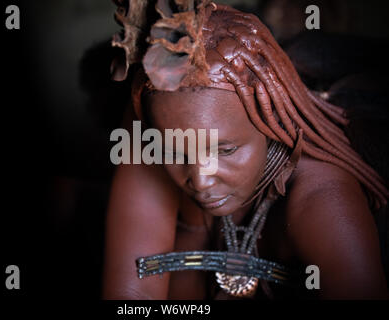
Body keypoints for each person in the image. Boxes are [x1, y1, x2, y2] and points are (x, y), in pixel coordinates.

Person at [102, 0, 389, 299]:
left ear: (270, 121)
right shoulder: (160, 106)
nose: (201, 181)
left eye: (225, 151)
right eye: (175, 154)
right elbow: (133, 297)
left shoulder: (324, 202)